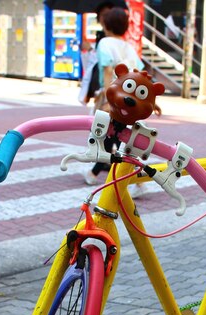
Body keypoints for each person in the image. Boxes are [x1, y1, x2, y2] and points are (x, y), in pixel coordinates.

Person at [84, 6, 144, 186]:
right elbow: (138, 72)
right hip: (130, 99)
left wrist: (109, 98)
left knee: (110, 135)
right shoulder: (129, 47)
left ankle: (96, 173)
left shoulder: (105, 44)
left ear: (106, 25)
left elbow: (108, 69)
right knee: (116, 136)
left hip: (113, 97)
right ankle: (132, 179)